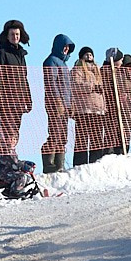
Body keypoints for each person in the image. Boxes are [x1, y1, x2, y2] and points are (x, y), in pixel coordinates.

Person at [0, 20, 31, 162]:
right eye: (12, 34)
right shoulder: (0, 54)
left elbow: (24, 78)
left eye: (17, 34)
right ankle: (5, 163)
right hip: (6, 102)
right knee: (5, 134)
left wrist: (28, 99)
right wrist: (1, 101)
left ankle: (12, 160)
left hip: (19, 103)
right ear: (7, 36)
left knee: (14, 134)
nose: (15, 36)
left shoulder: (21, 55)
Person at [40, 33, 74, 174]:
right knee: (55, 133)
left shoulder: (64, 64)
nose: (66, 49)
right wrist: (57, 101)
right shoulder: (51, 61)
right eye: (64, 46)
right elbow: (51, 83)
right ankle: (49, 164)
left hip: (65, 105)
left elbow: (68, 86)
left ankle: (59, 165)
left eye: (68, 47)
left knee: (63, 135)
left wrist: (70, 104)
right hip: (55, 104)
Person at [70, 46, 107, 166]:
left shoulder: (97, 72)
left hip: (98, 110)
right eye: (86, 54)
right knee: (82, 138)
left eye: (91, 54)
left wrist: (104, 106)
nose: (89, 56)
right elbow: (75, 85)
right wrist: (91, 87)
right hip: (84, 110)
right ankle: (80, 164)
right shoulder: (77, 70)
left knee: (97, 138)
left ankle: (96, 163)